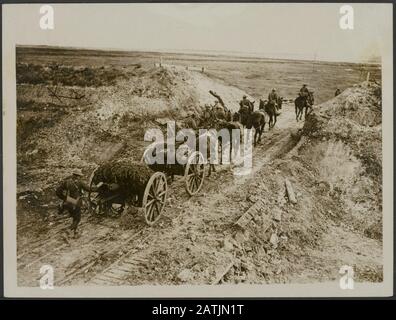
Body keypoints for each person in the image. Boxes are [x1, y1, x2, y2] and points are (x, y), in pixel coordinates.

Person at [55, 169, 94, 237]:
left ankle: (75, 233)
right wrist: (99, 188)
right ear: (77, 176)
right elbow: (89, 189)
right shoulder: (80, 182)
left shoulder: (66, 182)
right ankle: (69, 231)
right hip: (76, 203)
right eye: (80, 176)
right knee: (77, 218)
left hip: (68, 202)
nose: (80, 177)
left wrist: (65, 198)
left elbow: (58, 192)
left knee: (74, 217)